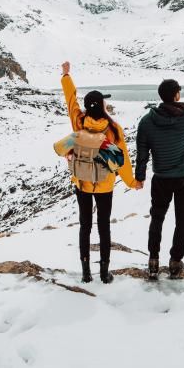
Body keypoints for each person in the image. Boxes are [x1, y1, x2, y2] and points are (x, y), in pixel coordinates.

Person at [55, 61, 141, 284]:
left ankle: (85, 272)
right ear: (102, 106)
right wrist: (132, 182)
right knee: (104, 227)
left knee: (85, 225)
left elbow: (70, 100)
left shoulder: (79, 122)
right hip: (104, 185)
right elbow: (122, 160)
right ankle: (104, 272)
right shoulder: (113, 129)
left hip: (81, 182)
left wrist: (66, 76)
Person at [135, 69, 184, 280]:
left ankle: (153, 261)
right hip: (183, 179)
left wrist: (140, 176)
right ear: (177, 95)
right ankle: (175, 262)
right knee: (182, 220)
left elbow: (142, 151)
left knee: (157, 219)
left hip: (160, 179)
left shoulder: (147, 121)